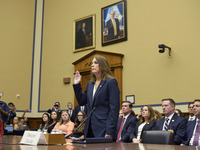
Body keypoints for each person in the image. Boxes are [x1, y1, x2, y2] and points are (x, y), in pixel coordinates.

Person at [73, 55, 120, 139]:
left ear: (102, 65)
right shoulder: (90, 84)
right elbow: (82, 101)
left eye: (95, 63)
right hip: (90, 127)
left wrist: (109, 130)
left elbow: (114, 109)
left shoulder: (111, 82)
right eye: (91, 63)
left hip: (104, 128)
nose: (92, 65)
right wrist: (77, 84)